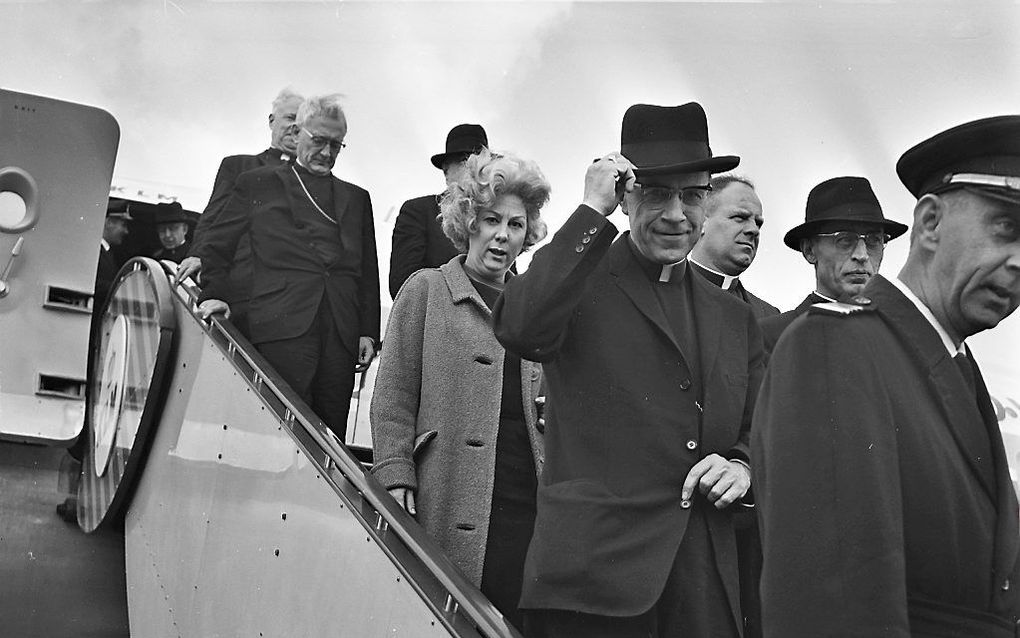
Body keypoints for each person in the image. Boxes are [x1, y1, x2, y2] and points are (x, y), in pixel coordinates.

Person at [493, 102, 764, 638]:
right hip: (591, 588)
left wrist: (744, 465)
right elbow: (519, 328)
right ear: (626, 195)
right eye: (656, 194)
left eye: (691, 195)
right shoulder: (579, 278)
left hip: (701, 591)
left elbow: (763, 425)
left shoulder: (733, 315)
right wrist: (590, 210)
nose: (675, 215)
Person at [752, 115, 1020, 637]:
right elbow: (833, 604)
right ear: (930, 223)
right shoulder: (832, 345)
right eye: (1007, 226)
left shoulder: (955, 362)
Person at [371, 148, 549, 630]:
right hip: (446, 490)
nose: (502, 236)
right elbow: (393, 395)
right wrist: (394, 473)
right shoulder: (426, 288)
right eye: (492, 219)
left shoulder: (531, 305)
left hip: (523, 498)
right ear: (468, 219)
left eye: (515, 225)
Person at [197, 94, 380, 440]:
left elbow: (366, 271)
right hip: (280, 326)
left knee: (329, 439)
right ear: (299, 133)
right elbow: (217, 246)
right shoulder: (258, 183)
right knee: (272, 431)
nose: (327, 153)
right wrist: (215, 295)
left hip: (339, 336)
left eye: (336, 145)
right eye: (319, 141)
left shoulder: (357, 198)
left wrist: (367, 330)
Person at [177, 87, 304, 335]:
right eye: (290, 118)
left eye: (302, 123)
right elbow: (214, 217)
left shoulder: (311, 183)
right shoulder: (240, 166)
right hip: (238, 290)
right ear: (271, 121)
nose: (295, 127)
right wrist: (198, 255)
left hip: (284, 303)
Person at [759, 176, 907, 353]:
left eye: (874, 240)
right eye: (845, 240)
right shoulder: (770, 338)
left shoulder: (901, 339)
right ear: (809, 250)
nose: (862, 255)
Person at [388, 123, 488, 299]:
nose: (475, 169)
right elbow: (403, 285)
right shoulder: (419, 212)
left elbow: (509, 288)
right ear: (446, 171)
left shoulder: (497, 219)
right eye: (465, 161)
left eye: (481, 163)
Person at [689, 174, 778, 319]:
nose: (754, 230)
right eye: (740, 218)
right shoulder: (664, 297)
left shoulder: (769, 316)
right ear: (701, 221)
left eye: (758, 223)